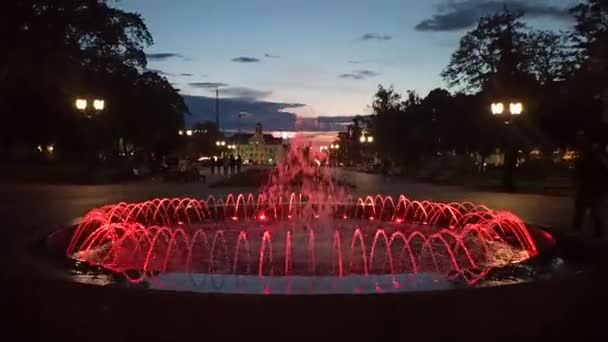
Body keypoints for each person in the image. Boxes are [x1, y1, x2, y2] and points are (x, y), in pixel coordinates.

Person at [572, 131, 607, 238]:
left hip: (591, 187)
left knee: (587, 210)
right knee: (590, 210)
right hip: (593, 187)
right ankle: (596, 232)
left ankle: (581, 231)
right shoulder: (597, 157)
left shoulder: (592, 157)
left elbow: (580, 171)